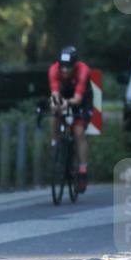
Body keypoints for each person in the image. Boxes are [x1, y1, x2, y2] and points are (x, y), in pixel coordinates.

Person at [48, 46, 92, 193]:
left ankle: (82, 170)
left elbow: (78, 99)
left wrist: (66, 103)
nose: (65, 70)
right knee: (54, 112)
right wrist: (55, 104)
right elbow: (55, 93)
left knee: (79, 132)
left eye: (68, 67)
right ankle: (54, 142)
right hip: (64, 92)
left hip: (82, 97)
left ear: (75, 65)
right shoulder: (54, 70)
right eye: (63, 66)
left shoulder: (83, 70)